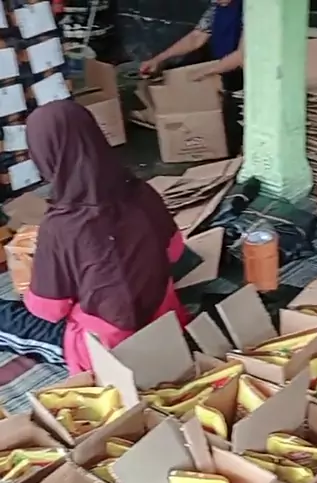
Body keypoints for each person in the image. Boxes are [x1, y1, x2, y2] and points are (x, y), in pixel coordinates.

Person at [0, 99, 189, 374]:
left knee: (8, 317)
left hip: (107, 349)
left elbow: (48, 310)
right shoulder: (142, 192)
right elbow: (175, 251)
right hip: (166, 323)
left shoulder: (62, 226)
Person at [134, 0, 243, 155]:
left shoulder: (251, 10)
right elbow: (197, 37)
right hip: (222, 69)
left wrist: (206, 72)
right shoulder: (216, 7)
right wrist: (158, 60)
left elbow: (241, 55)